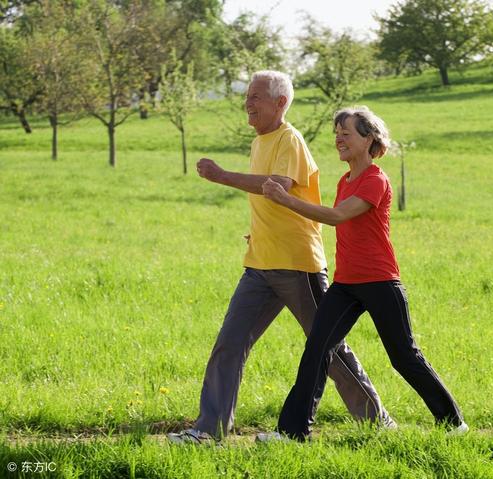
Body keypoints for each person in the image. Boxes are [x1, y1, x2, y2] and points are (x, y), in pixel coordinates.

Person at [167, 72, 394, 444]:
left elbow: (278, 187)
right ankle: (209, 431)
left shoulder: (290, 139)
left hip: (297, 264)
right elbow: (269, 199)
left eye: (256, 97)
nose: (248, 104)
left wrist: (222, 176)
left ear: (280, 103)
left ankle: (376, 420)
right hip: (258, 263)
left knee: (328, 348)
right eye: (247, 96)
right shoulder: (260, 141)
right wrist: (260, 231)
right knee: (230, 343)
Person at [259, 106, 468, 442]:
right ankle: (293, 431)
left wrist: (284, 199)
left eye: (347, 133)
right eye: (336, 133)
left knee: (404, 357)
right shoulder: (345, 180)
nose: (339, 139)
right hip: (346, 284)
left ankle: (453, 423)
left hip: (381, 282)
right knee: (317, 351)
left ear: (369, 138)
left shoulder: (375, 180)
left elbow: (337, 216)